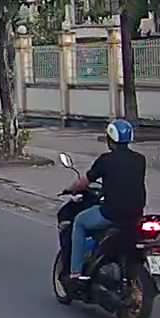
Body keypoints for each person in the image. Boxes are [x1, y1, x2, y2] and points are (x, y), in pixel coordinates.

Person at [63, 118, 146, 281]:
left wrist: (71, 189)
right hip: (136, 214)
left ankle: (75, 273)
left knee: (79, 221)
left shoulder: (105, 160)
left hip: (112, 214)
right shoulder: (140, 159)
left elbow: (85, 181)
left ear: (110, 140)